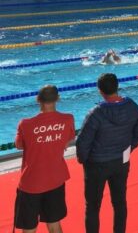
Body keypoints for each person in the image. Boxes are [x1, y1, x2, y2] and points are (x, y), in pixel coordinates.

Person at [76, 73, 138, 233]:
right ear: (117, 86)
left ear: (100, 91)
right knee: (119, 202)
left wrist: (84, 160)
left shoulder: (96, 113)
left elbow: (83, 142)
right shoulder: (131, 106)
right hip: (121, 161)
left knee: (93, 207)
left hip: (97, 165)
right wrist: (128, 149)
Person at [14, 85, 76, 233]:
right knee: (54, 223)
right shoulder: (68, 119)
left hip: (31, 182)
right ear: (58, 99)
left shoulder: (25, 124)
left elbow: (19, 146)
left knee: (29, 228)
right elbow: (67, 140)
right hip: (55, 179)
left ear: (38, 100)